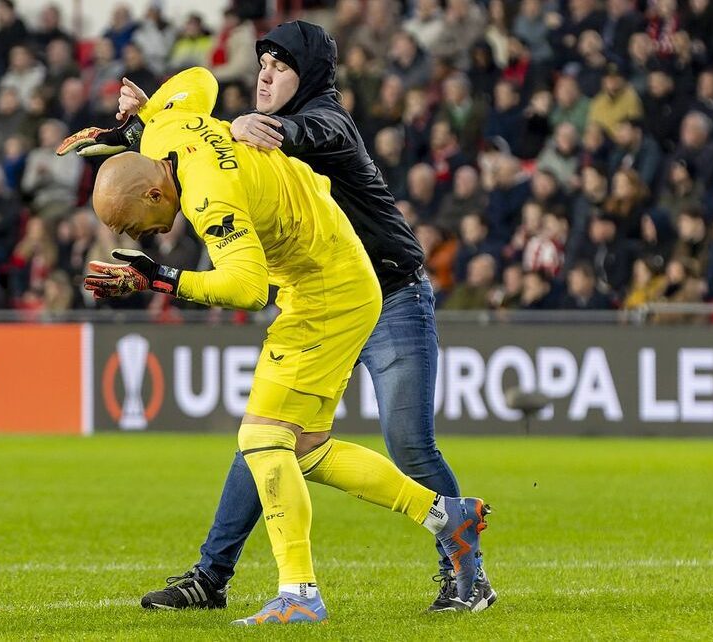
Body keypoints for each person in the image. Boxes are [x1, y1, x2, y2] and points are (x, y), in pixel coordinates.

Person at [59, 21, 496, 613]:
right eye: (261, 62)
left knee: (395, 445)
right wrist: (142, 120)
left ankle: (452, 572)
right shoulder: (187, 137)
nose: (265, 72)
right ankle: (218, 577)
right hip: (324, 285)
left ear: (309, 76)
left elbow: (247, 271)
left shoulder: (325, 121)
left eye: (280, 66)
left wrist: (161, 278)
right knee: (288, 442)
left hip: (385, 294)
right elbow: (196, 82)